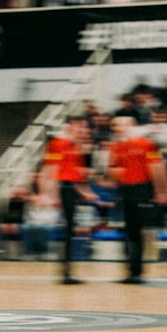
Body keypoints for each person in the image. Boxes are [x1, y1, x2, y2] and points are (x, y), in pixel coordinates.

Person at [108, 117, 167, 283]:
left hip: (141, 189)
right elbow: (112, 168)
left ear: (131, 126)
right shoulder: (115, 147)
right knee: (129, 232)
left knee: (137, 232)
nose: (117, 128)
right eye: (115, 125)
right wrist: (114, 173)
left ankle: (137, 271)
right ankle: (131, 270)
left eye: (121, 124)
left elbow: (158, 167)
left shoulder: (147, 144)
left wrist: (162, 191)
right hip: (125, 190)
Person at [40, 116, 99, 284]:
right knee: (65, 230)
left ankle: (67, 271)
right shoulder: (58, 143)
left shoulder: (76, 147)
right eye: (80, 127)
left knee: (70, 230)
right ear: (70, 126)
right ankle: (65, 272)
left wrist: (85, 191)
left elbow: (76, 175)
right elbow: (50, 169)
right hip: (62, 188)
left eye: (84, 127)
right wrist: (49, 194)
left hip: (70, 190)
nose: (83, 131)